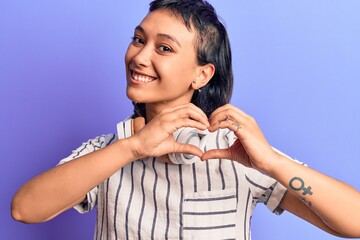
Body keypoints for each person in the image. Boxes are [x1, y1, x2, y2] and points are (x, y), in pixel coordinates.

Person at [11, 0, 360, 239]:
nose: (140, 57)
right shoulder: (107, 151)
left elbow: (355, 222)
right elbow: (25, 210)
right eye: (138, 39)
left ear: (202, 75)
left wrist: (270, 161)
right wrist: (132, 148)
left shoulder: (239, 155)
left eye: (164, 48)